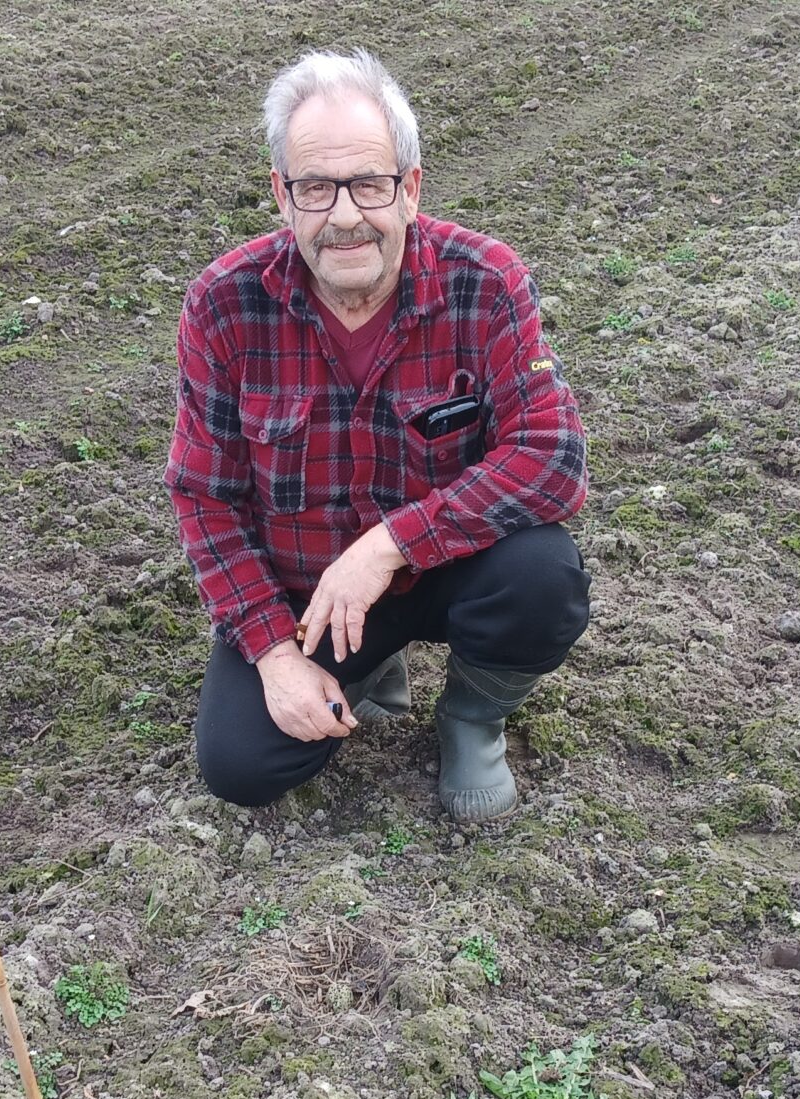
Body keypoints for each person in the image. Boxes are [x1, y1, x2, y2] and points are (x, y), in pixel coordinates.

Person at [164, 48, 591, 822]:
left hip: (452, 571)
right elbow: (205, 499)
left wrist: (390, 543)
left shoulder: (485, 282)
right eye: (316, 188)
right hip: (310, 599)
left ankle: (472, 716)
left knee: (542, 576)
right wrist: (274, 654)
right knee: (240, 763)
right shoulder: (223, 306)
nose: (346, 215)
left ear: (411, 189)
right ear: (282, 195)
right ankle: (363, 666)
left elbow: (553, 457)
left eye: (369, 183)